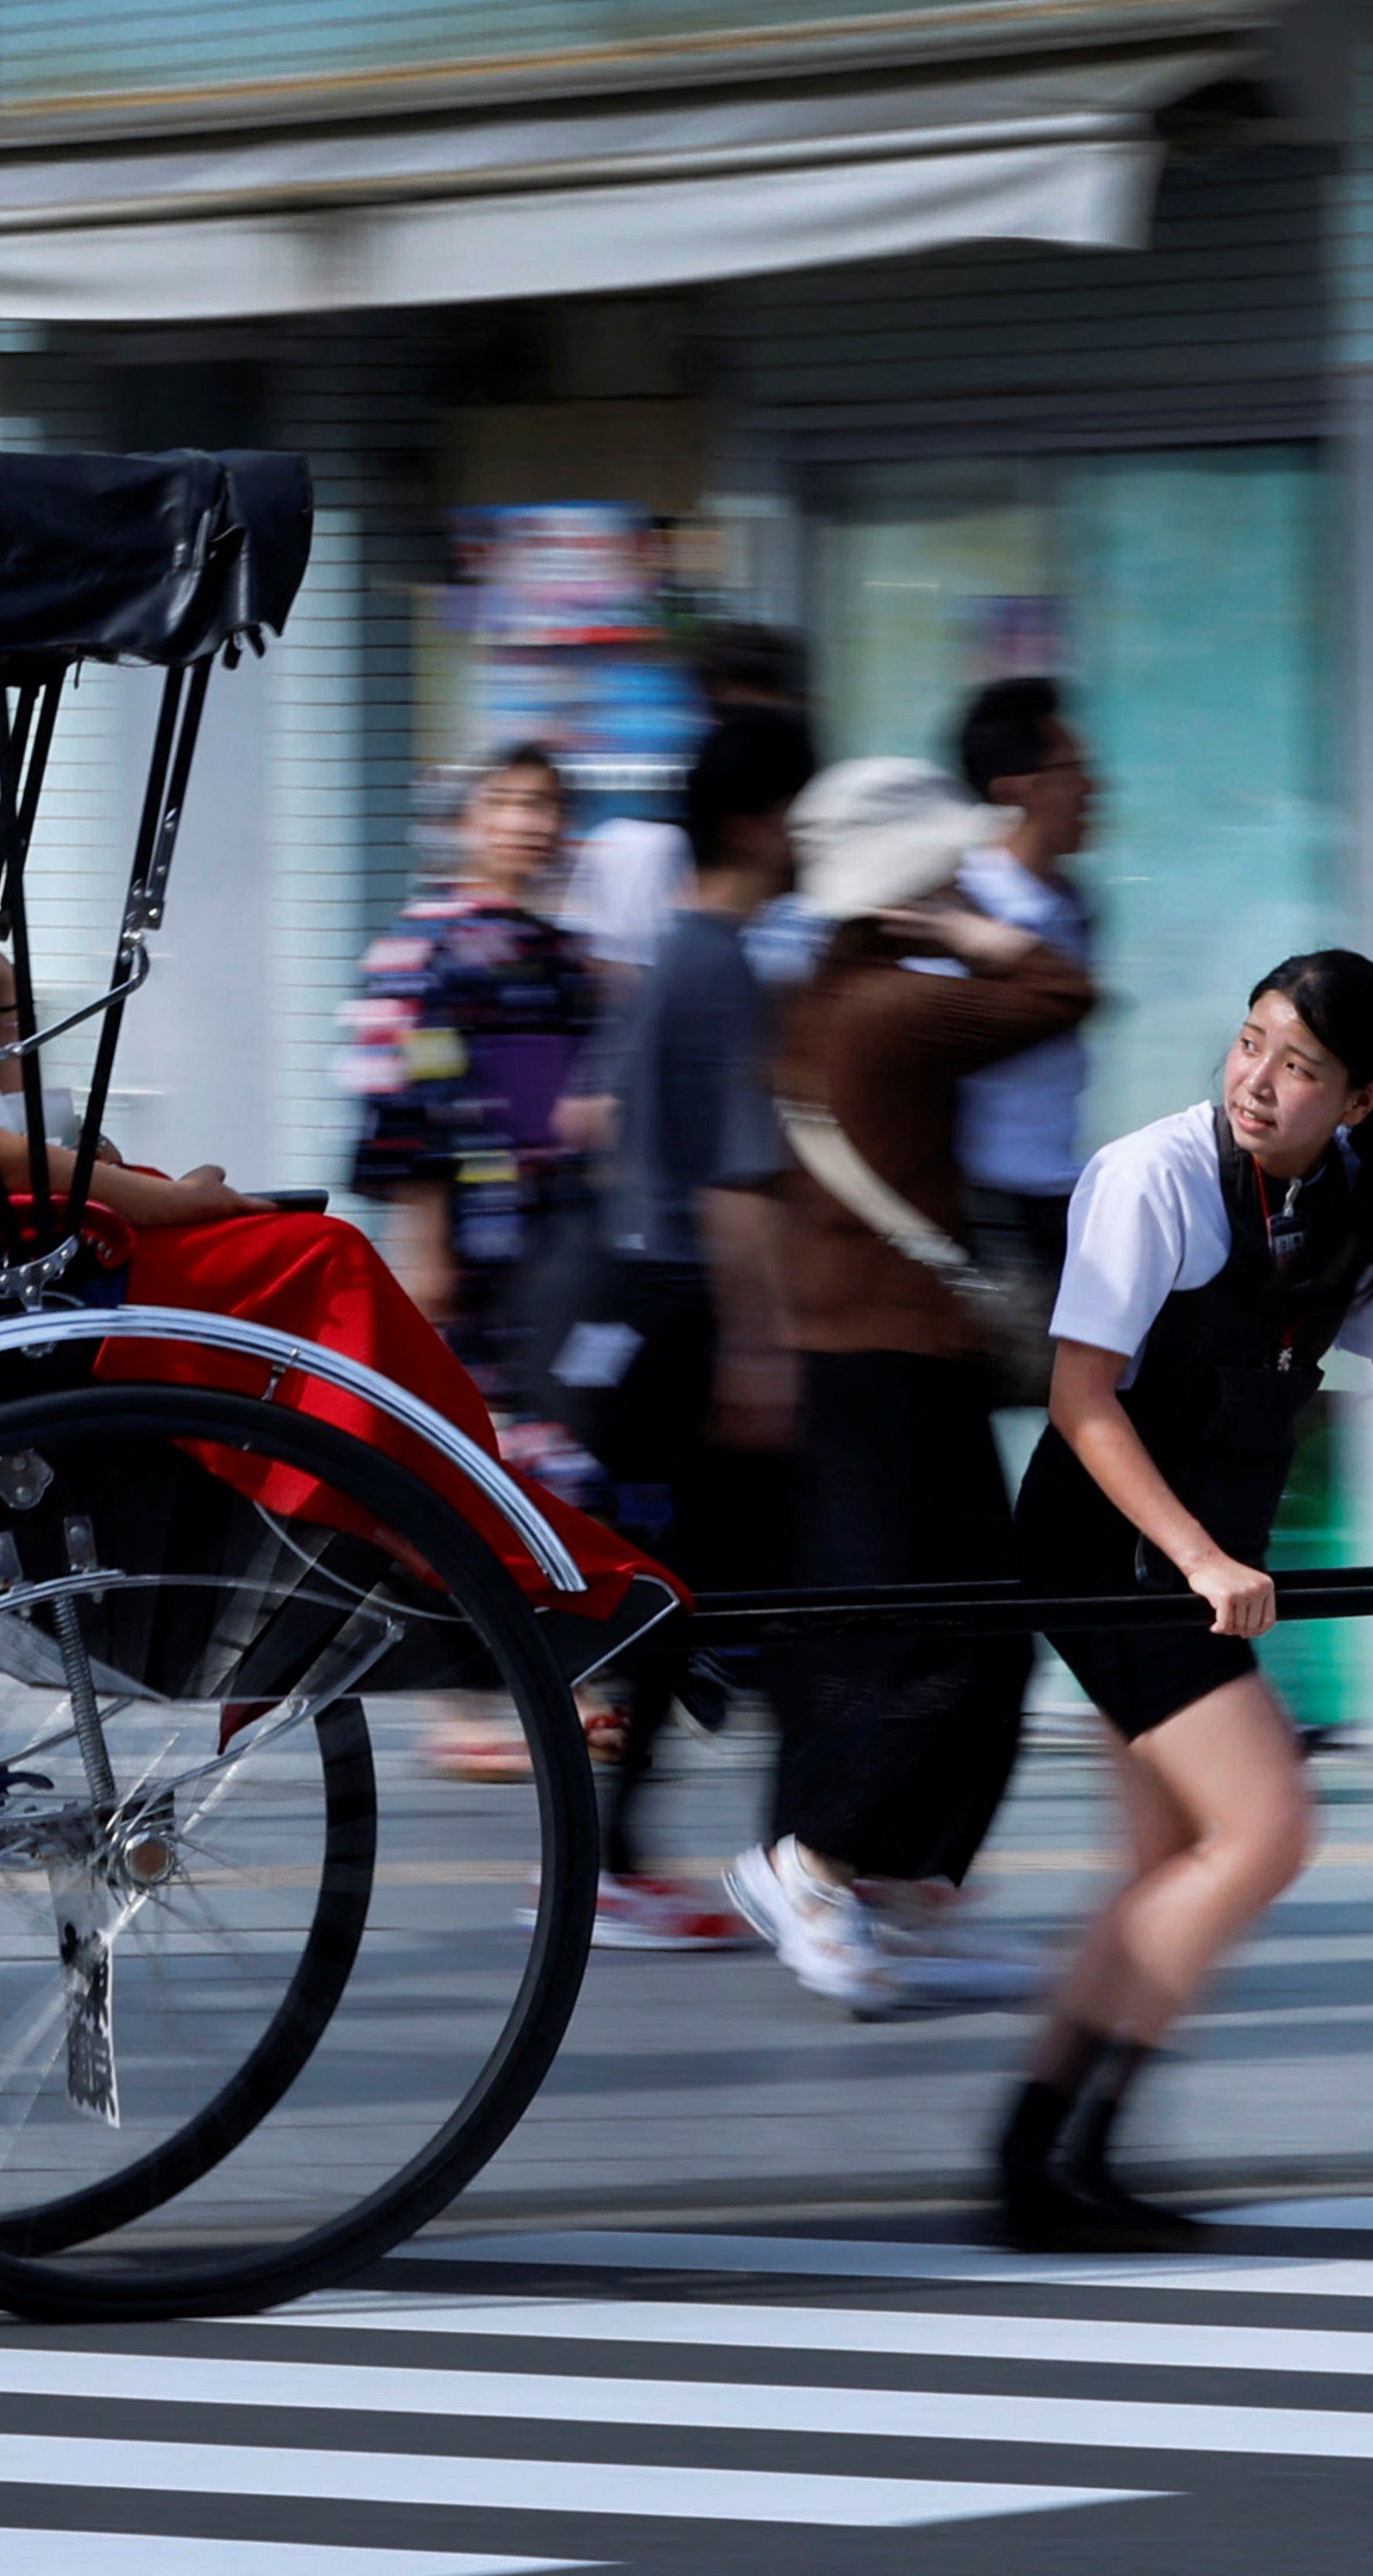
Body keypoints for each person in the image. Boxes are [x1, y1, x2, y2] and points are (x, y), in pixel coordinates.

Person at [0, 747, 667, 1619]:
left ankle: (425, 1516)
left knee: (297, 1244)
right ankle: (434, 1529)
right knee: (326, 1253)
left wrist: (5, 994)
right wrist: (186, 1203)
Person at [1003, 950, 1373, 2243]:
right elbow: (1079, 1400)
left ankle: (1042, 2157)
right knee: (1265, 1831)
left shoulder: (1357, 1202)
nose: (1257, 1084)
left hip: (1201, 1558)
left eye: (1300, 1068)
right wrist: (1201, 1562)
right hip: (1114, 1550)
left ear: (1361, 1100)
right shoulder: (1151, 1178)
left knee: (1172, 1861)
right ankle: (1064, 2151)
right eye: (1249, 1044)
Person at [727, 756, 1094, 2011]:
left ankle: (893, 1887)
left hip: (852, 1355)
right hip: (898, 1359)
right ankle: (824, 1867)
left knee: (910, 1631)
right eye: (939, 862)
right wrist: (967, 930)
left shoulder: (807, 994)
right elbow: (1062, 987)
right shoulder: (896, 1004)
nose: (961, 871)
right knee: (951, 1636)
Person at [560, 708, 814, 1950]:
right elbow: (733, 1181)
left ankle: (630, 1855)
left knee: (696, 1594)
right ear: (765, 821)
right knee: (731, 1591)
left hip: (642, 1296)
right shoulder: (721, 967)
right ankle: (751, 1861)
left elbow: (597, 1119)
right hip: (690, 1311)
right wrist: (763, 1349)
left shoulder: (678, 955)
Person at [347, 745, 599, 1777]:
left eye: (546, 805)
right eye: (508, 803)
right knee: (466, 1462)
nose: (528, 824)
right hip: (469, 1238)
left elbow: (565, 1097)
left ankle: (542, 1680)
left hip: (550, 1236)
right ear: (467, 819)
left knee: (546, 1457)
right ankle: (463, 1703)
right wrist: (425, 1232)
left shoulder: (556, 951)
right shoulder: (423, 947)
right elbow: (403, 1100)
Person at [951, 675, 1100, 1319]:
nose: (1093, 790)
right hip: (986, 1202)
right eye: (1074, 771)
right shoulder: (962, 907)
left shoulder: (1076, 905)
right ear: (1018, 789)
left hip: (1060, 1188)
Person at [561, 621, 811, 984]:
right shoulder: (639, 852)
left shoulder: (805, 871)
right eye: (739, 726)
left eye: (771, 733)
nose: (751, 749)